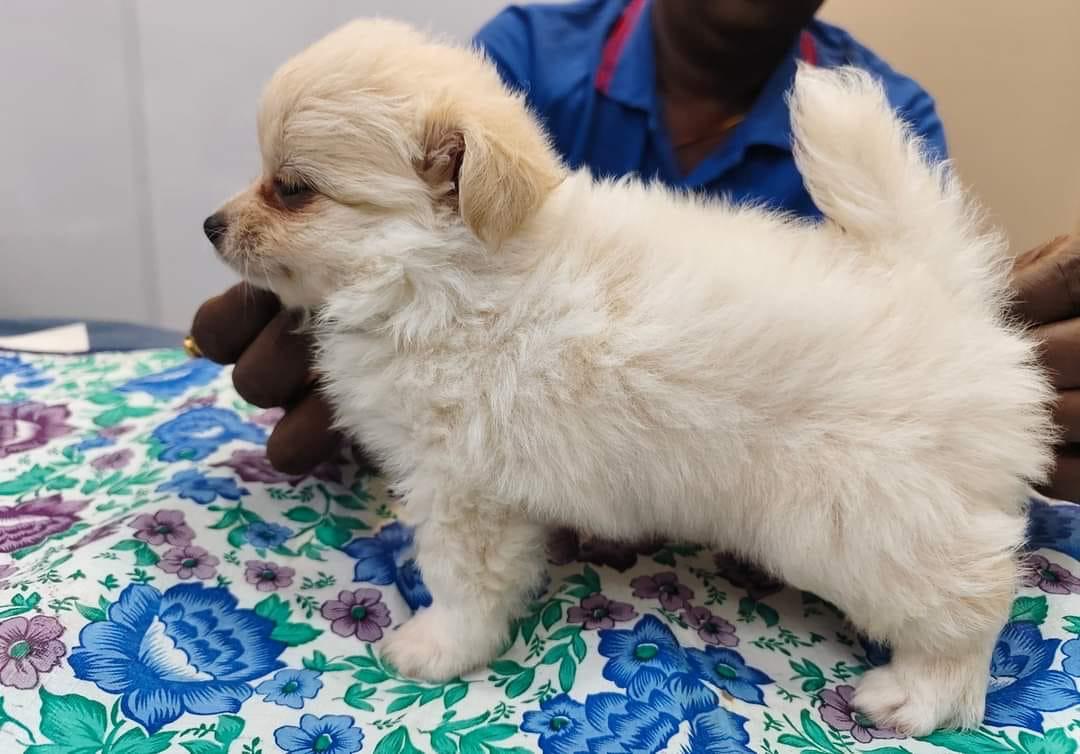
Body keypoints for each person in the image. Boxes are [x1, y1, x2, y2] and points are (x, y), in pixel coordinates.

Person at [192, 0, 1080, 499]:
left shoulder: (878, 121)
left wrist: (976, 380)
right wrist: (352, 327)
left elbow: (901, 360)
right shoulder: (522, 59)